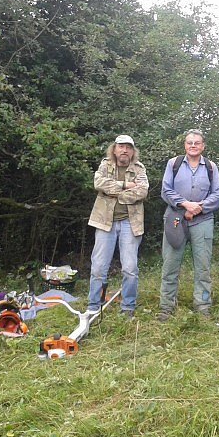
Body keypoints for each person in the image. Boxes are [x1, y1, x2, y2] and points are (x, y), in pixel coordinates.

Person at [158, 129, 219, 321]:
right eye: (189, 142)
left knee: (203, 267)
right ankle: (166, 307)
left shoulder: (211, 167)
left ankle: (202, 306)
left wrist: (198, 208)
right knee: (170, 264)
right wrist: (185, 204)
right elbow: (166, 190)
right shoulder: (174, 164)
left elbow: (217, 195)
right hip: (175, 219)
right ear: (185, 145)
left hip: (202, 220)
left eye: (197, 143)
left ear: (203, 145)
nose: (193, 145)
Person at [86, 134, 149, 317]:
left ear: (133, 151)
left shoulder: (139, 168)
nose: (124, 150)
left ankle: (128, 307)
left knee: (130, 268)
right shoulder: (105, 165)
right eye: (121, 146)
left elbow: (142, 191)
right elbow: (98, 183)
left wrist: (115, 193)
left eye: (128, 147)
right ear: (114, 149)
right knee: (98, 267)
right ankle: (93, 306)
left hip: (131, 223)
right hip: (105, 222)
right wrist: (124, 185)